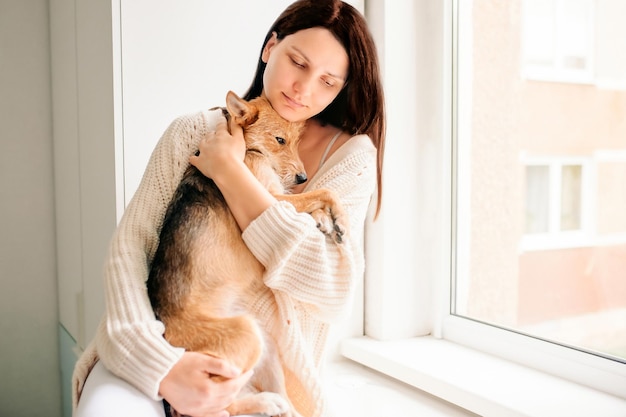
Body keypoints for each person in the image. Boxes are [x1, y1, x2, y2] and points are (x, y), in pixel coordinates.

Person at [72, 0, 385, 416]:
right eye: (297, 62)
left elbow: (331, 289)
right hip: (161, 346)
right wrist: (160, 366)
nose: (303, 89)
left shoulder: (351, 157)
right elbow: (130, 250)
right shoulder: (193, 131)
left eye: (328, 81)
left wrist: (227, 171)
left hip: (270, 378)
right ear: (270, 47)